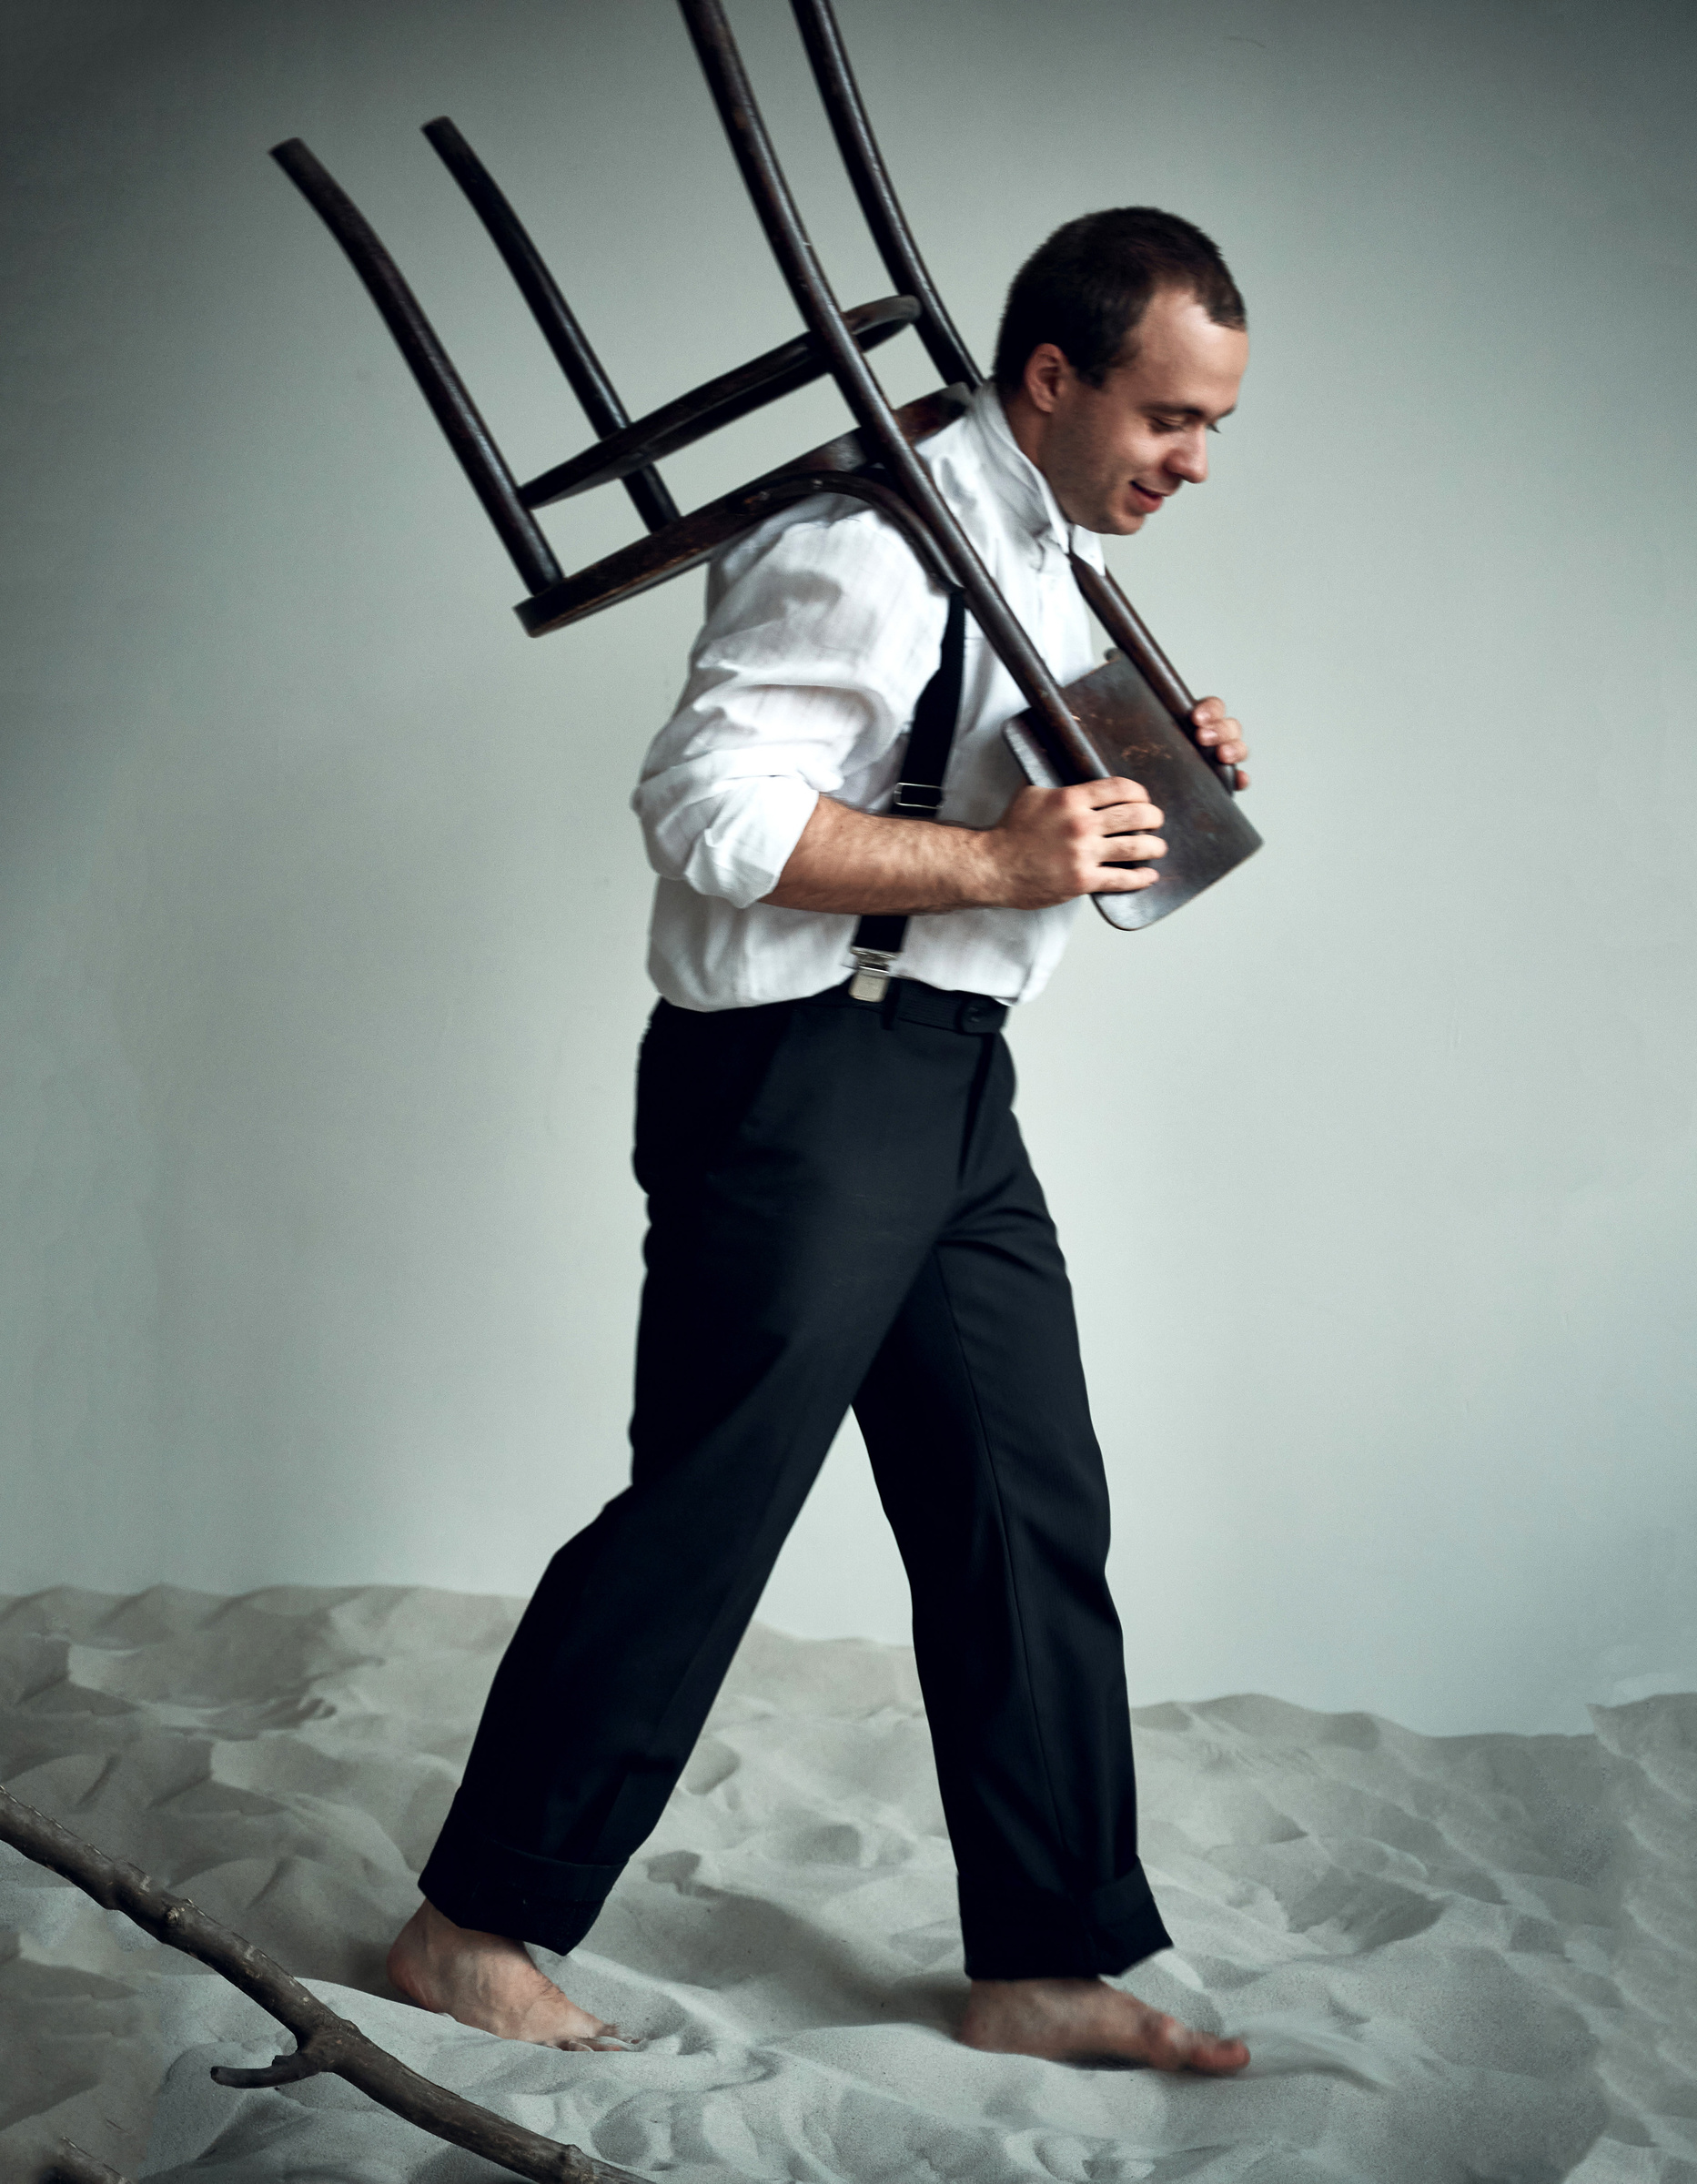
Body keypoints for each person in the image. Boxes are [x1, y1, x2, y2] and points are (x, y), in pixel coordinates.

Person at [389, 207, 1254, 2074]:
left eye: (1213, 427)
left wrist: (1144, 773)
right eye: (1169, 417)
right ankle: (470, 1929)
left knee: (1024, 1504)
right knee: (708, 1511)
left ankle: (1041, 1960)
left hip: (952, 1082)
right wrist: (1000, 862)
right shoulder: (866, 540)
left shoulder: (1044, 546)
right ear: (1051, 378)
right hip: (798, 1079)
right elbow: (701, 808)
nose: (1193, 461)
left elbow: (988, 782)